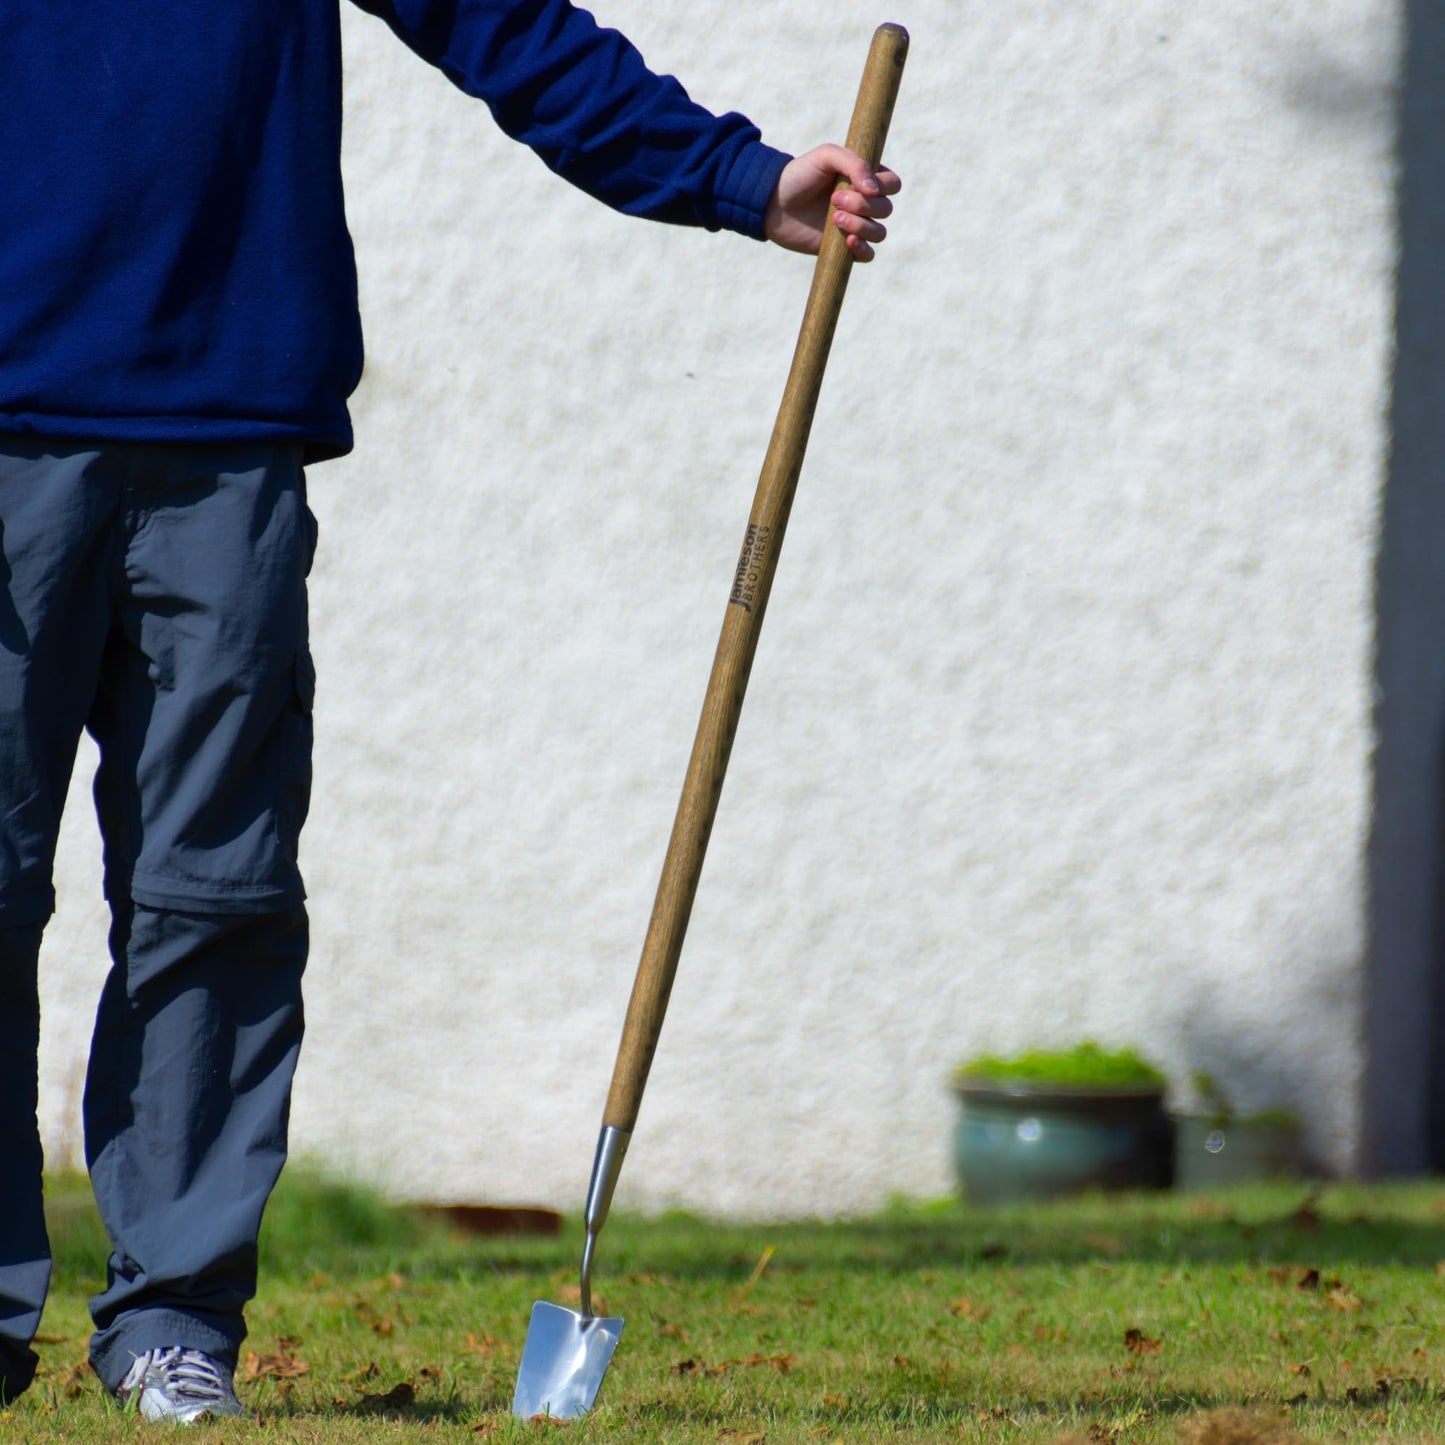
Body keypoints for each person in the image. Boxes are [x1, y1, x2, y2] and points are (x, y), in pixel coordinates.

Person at [0, 0, 901, 1423]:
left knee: (213, 897)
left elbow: (504, 24)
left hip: (231, 439)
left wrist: (733, 175)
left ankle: (173, 1323)